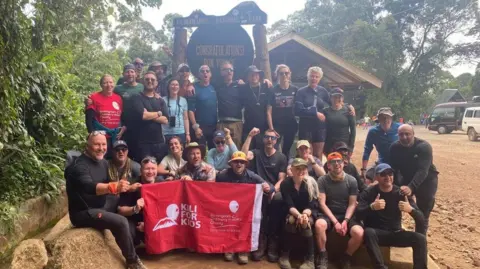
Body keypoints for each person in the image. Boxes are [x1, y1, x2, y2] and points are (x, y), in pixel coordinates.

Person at [64, 132, 146, 269]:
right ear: (88, 146)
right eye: (97, 144)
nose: (101, 148)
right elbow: (89, 187)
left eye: (103, 144)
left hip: (100, 205)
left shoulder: (102, 162)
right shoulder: (79, 166)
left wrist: (128, 188)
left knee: (122, 198)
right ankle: (132, 261)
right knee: (120, 221)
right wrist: (114, 186)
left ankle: (132, 229)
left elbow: (109, 186)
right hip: (84, 212)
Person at [356, 163, 427, 269]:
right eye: (383, 174)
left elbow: (421, 218)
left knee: (420, 239)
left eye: (390, 174)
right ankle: (380, 267)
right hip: (377, 234)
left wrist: (410, 210)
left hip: (396, 233)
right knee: (368, 232)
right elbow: (358, 215)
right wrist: (372, 207)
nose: (387, 177)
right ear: (376, 177)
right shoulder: (369, 192)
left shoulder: (401, 193)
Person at [216, 151, 273, 265]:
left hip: (246, 211)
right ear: (231, 164)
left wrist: (268, 187)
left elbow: (270, 187)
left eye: (242, 162)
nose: (239, 164)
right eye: (236, 162)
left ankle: (243, 249)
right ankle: (230, 247)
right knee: (226, 221)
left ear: (245, 164)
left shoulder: (252, 176)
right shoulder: (223, 175)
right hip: (228, 209)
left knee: (254, 219)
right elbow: (214, 189)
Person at [242, 127, 287, 262]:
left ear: (276, 141)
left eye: (272, 138)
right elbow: (243, 155)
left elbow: (282, 179)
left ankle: (272, 242)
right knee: (259, 211)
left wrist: (273, 190)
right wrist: (249, 136)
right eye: (267, 137)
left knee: (278, 200)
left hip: (273, 191)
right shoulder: (256, 153)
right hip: (257, 191)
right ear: (262, 139)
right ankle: (261, 242)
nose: (269, 140)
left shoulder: (281, 157)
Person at [315, 152, 364, 269]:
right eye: (333, 162)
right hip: (328, 213)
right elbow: (322, 204)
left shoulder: (351, 180)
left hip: (346, 214)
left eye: (339, 161)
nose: (336, 164)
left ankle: (346, 257)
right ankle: (322, 254)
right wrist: (336, 222)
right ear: (328, 166)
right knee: (319, 225)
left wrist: (345, 221)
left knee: (359, 233)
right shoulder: (322, 180)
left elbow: (352, 204)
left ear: (343, 164)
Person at [390, 124, 438, 234]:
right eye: (401, 134)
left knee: (423, 212)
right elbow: (394, 169)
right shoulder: (394, 148)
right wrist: (397, 186)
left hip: (426, 180)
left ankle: (420, 240)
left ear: (413, 135)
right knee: (395, 200)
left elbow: (423, 170)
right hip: (407, 178)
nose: (404, 137)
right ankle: (395, 230)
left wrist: (411, 187)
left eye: (407, 134)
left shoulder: (424, 147)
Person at [278, 158, 319, 269]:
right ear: (292, 169)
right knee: (291, 220)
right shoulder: (286, 183)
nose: (301, 171)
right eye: (298, 168)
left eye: (303, 168)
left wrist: (304, 215)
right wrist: (299, 215)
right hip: (292, 211)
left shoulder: (311, 183)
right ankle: (285, 255)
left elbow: (312, 204)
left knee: (307, 223)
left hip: (308, 212)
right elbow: (289, 204)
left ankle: (310, 259)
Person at [117, 156, 160, 246]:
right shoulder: (131, 185)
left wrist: (149, 225)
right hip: (135, 221)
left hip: (155, 221)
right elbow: (120, 211)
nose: (150, 172)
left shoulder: (161, 183)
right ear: (141, 170)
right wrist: (135, 208)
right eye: (147, 169)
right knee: (128, 231)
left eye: (153, 169)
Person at [128, 71, 169, 163]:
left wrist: (149, 114)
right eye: (147, 79)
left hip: (159, 142)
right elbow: (143, 115)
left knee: (159, 171)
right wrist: (158, 113)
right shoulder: (136, 97)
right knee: (145, 171)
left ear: (157, 82)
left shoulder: (160, 100)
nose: (150, 81)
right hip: (142, 143)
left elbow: (166, 120)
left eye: (152, 79)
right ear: (143, 81)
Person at [85, 74, 126, 158]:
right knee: (100, 159)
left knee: (114, 160)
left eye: (110, 82)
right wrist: (92, 135)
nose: (108, 85)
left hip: (116, 136)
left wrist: (123, 129)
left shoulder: (118, 98)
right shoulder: (94, 97)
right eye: (105, 83)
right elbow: (89, 118)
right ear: (101, 85)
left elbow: (122, 116)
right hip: (101, 136)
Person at [294, 66, 330, 159]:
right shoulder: (301, 92)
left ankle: (318, 173)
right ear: (308, 77)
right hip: (305, 127)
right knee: (306, 155)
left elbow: (334, 104)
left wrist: (347, 107)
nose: (314, 78)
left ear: (320, 78)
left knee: (318, 155)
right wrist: (315, 113)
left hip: (319, 127)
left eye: (316, 76)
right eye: (312, 76)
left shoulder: (323, 91)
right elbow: (298, 110)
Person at [361, 107, 400, 180]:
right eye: (382, 117)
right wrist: (363, 169)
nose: (385, 120)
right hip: (382, 163)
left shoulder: (400, 128)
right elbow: (367, 150)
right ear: (378, 119)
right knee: (368, 178)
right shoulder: (373, 132)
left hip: (399, 163)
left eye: (388, 117)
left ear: (391, 118)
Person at [267, 64, 298, 154]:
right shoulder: (273, 90)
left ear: (290, 74)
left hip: (291, 125)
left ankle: (285, 167)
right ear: (277, 75)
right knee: (274, 149)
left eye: (286, 73)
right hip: (277, 125)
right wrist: (271, 129)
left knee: (286, 150)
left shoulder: (295, 89)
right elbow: (268, 111)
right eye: (281, 73)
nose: (284, 75)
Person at [241, 65, 273, 150]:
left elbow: (270, 108)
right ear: (247, 77)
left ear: (259, 76)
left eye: (256, 74)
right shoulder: (243, 88)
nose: (254, 76)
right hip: (248, 128)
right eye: (251, 74)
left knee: (262, 153)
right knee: (248, 153)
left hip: (263, 128)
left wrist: (271, 128)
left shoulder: (266, 86)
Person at [105, 140, 141, 212]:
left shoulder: (135, 166)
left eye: (123, 149)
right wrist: (128, 188)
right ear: (112, 152)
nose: (121, 152)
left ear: (127, 151)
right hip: (110, 199)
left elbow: (143, 183)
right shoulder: (105, 165)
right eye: (117, 150)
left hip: (128, 202)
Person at [187, 65, 218, 149]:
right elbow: (190, 110)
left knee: (214, 152)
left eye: (207, 71)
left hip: (214, 127)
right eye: (202, 71)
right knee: (200, 153)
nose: (205, 73)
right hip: (200, 127)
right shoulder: (194, 88)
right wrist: (196, 127)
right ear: (198, 74)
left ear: (210, 74)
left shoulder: (214, 87)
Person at [215, 61, 244, 147]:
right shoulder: (217, 86)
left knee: (236, 149)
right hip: (222, 123)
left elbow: (254, 85)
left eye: (231, 70)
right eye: (226, 69)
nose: (229, 71)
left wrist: (266, 80)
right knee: (221, 149)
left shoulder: (240, 85)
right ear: (221, 72)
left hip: (236, 123)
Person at [323, 88, 356, 155]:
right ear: (331, 98)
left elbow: (353, 130)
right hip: (330, 145)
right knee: (331, 164)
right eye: (334, 97)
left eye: (339, 97)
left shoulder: (349, 111)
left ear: (342, 99)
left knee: (344, 164)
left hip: (344, 145)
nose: (337, 99)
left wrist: (351, 147)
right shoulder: (325, 111)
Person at [162, 78, 190, 143]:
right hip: (166, 133)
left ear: (179, 87)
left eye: (177, 85)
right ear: (168, 87)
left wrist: (187, 134)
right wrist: (161, 134)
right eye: (172, 84)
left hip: (180, 132)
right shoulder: (162, 100)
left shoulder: (183, 100)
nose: (175, 87)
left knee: (181, 152)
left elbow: (185, 118)